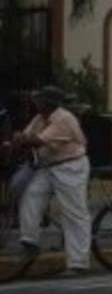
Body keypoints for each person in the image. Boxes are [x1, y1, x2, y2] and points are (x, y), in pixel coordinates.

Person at [13, 86, 91, 274]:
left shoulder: (63, 118)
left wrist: (21, 139)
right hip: (48, 166)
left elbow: (36, 140)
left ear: (48, 103)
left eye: (39, 100)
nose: (36, 102)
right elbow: (27, 135)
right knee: (30, 196)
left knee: (73, 214)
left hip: (70, 167)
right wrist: (20, 138)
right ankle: (30, 241)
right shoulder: (40, 119)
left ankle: (78, 263)